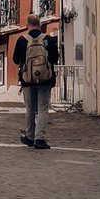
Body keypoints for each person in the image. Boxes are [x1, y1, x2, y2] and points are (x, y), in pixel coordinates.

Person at [13, 13, 59, 150]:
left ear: (28, 25)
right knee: (43, 109)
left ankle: (30, 136)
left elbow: (16, 60)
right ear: (40, 24)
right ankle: (40, 138)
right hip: (45, 80)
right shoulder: (49, 40)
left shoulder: (22, 40)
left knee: (30, 109)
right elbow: (55, 58)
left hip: (27, 80)